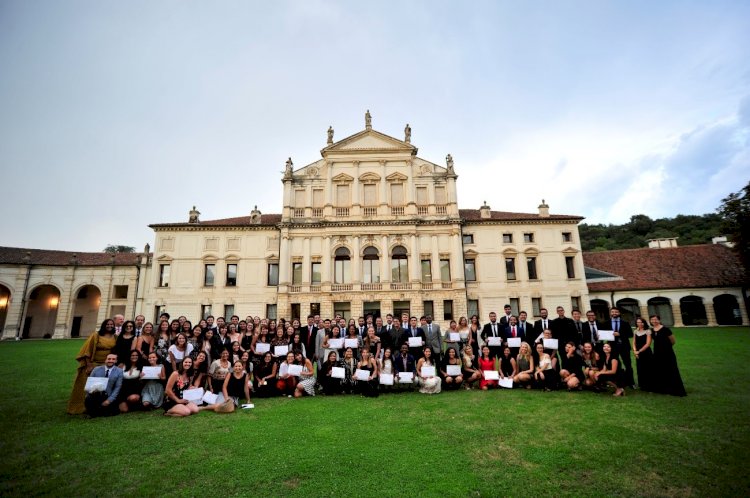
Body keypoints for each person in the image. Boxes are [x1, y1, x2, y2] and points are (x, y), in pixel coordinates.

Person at [67, 318, 117, 415]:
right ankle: (81, 406)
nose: (110, 326)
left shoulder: (115, 337)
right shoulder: (96, 335)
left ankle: (100, 405)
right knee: (87, 385)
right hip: (94, 363)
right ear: (104, 325)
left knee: (104, 386)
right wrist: (89, 365)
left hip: (107, 364)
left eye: (111, 324)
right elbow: (87, 350)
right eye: (108, 324)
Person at [650, 315, 686, 396]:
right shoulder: (651, 330)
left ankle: (673, 389)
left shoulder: (665, 329)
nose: (654, 321)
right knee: (660, 370)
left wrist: (666, 347)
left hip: (667, 352)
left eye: (656, 319)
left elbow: (673, 341)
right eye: (652, 320)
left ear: (659, 320)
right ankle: (662, 389)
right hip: (657, 352)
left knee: (670, 369)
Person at [84, 353, 123, 417]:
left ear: (116, 361)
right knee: (88, 400)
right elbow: (89, 383)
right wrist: (89, 394)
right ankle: (93, 411)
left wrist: (109, 400)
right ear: (105, 360)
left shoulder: (119, 371)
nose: (110, 360)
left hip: (109, 395)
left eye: (113, 359)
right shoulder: (96, 369)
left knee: (109, 413)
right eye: (109, 359)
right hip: (95, 394)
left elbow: (117, 387)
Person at [609, 307, 635, 388]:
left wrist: (620, 334)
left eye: (616, 312)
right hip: (612, 347)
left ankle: (631, 382)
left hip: (624, 346)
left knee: (628, 364)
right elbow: (602, 333)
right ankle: (615, 381)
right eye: (612, 312)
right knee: (614, 365)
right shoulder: (606, 322)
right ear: (610, 313)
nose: (614, 313)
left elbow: (630, 334)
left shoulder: (625, 323)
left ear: (619, 313)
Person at [633, 317, 655, 392]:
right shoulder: (635, 331)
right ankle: (642, 385)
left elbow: (648, 344)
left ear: (644, 323)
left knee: (648, 369)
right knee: (640, 369)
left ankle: (650, 386)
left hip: (646, 353)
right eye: (638, 322)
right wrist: (635, 351)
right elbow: (634, 342)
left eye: (641, 322)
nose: (639, 324)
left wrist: (639, 351)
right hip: (638, 353)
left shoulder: (648, 331)